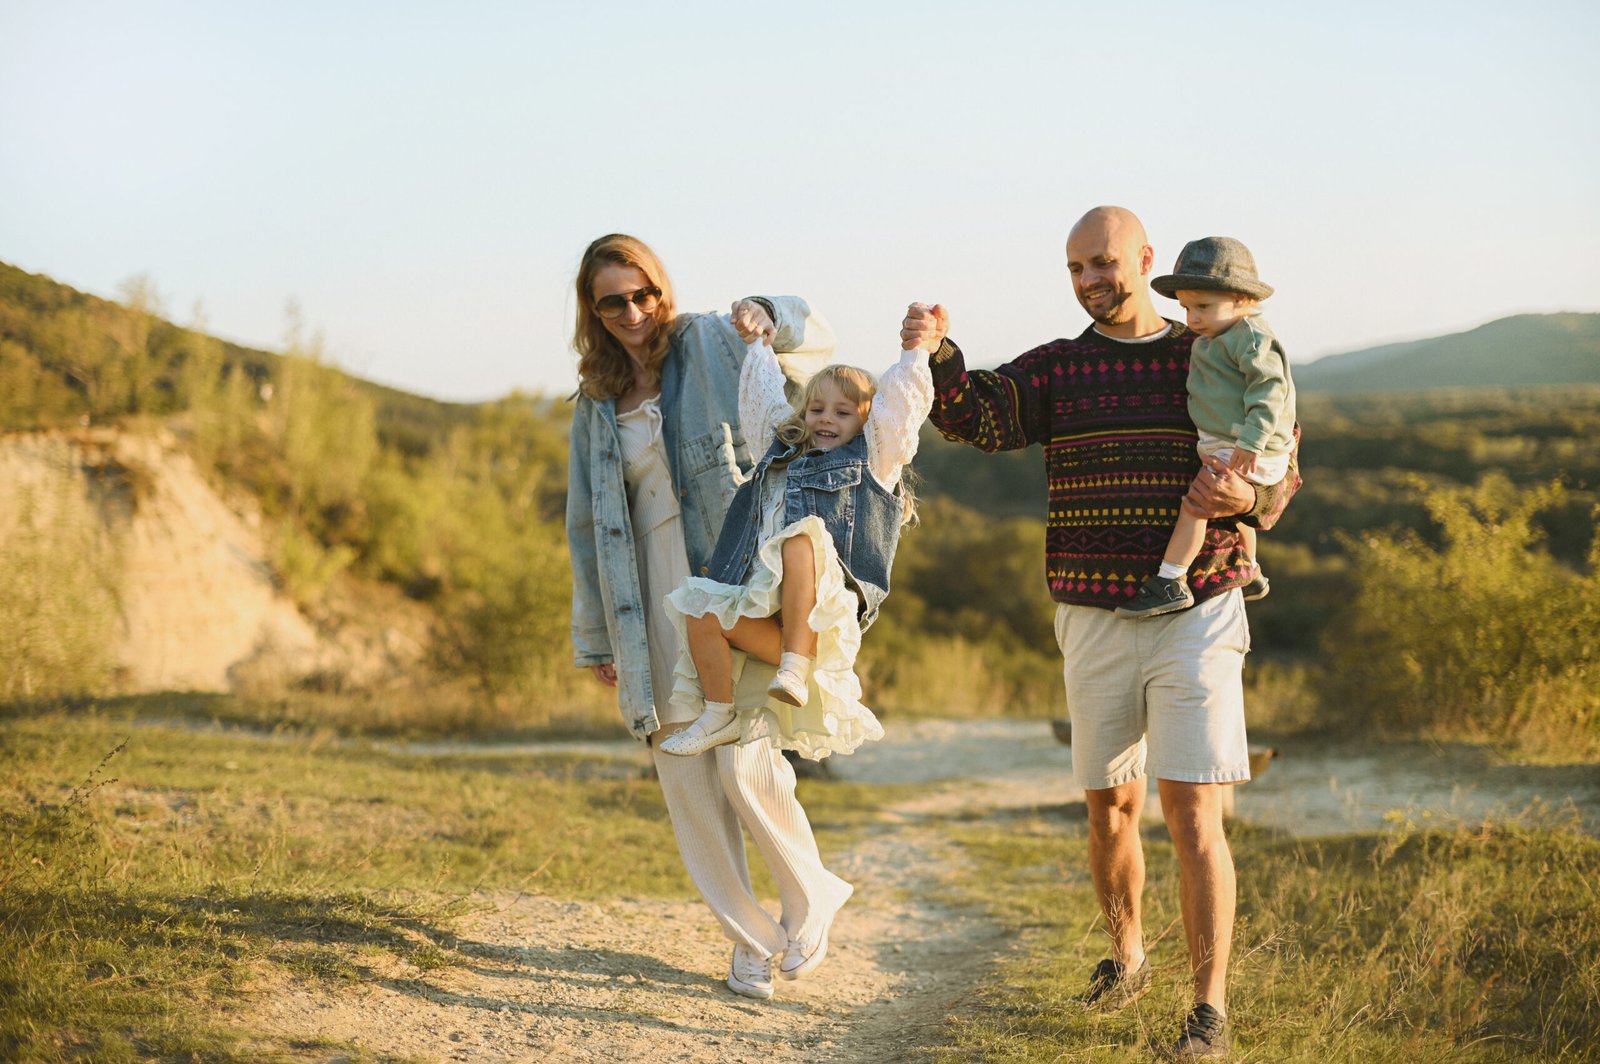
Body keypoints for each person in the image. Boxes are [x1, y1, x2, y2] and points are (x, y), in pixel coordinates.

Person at [901, 207, 1301, 1058]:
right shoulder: (1060, 368)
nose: (1092, 280)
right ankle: (1127, 959)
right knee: (1109, 809)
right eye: (1077, 267)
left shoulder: (1212, 348)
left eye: (1106, 262)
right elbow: (978, 416)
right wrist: (938, 352)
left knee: (1194, 812)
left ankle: (1209, 1013)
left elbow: (1281, 461)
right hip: (1090, 612)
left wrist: (1253, 500)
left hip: (1197, 606)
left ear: (1145, 260)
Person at [564, 233, 849, 1003]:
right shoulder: (595, 397)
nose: (633, 311)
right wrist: (596, 635)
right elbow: (586, 525)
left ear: (663, 287)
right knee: (685, 775)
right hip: (640, 593)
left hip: (723, 581)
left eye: (643, 292)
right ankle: (750, 939)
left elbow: (815, 339)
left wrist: (769, 314)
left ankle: (809, 895)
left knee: (743, 756)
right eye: (613, 300)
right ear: (593, 310)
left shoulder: (712, 341)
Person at [658, 330, 934, 761]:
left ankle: (795, 667)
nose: (826, 418)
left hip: (823, 616)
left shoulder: (873, 461)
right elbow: (763, 402)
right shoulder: (781, 454)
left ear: (866, 424)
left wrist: (915, 351)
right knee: (700, 610)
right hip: (775, 620)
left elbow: (899, 411)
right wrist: (757, 345)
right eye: (816, 409)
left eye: (843, 412)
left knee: (801, 539)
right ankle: (718, 714)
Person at [1118, 236, 1296, 619]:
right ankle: (1249, 571)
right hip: (1235, 442)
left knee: (1196, 506)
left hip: (1246, 445)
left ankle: (1170, 579)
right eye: (1186, 308)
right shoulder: (1216, 337)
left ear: (1242, 299)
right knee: (1232, 514)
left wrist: (1250, 440)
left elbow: (1271, 388)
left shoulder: (1249, 336)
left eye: (1203, 307)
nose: (1192, 318)